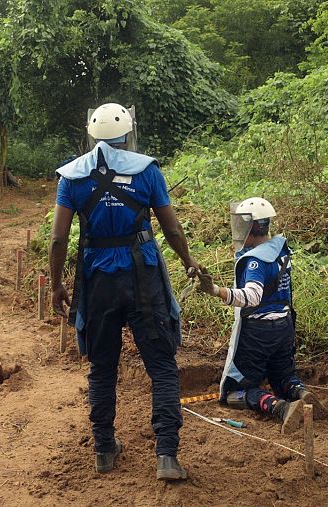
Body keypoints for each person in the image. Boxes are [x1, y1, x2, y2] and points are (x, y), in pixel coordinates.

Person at [48, 103, 200, 481]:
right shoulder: (147, 171)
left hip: (97, 278)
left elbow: (58, 238)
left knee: (102, 367)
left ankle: (103, 449)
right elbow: (172, 229)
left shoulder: (72, 177)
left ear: (90, 133)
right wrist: (188, 262)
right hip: (142, 275)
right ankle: (166, 455)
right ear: (128, 133)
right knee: (162, 366)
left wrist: (56, 284)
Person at [194, 197, 328, 434]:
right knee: (282, 375)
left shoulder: (255, 260)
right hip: (284, 325)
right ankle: (301, 392)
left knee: (235, 391)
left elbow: (251, 297)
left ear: (251, 226)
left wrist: (215, 290)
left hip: (259, 332)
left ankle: (280, 408)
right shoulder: (279, 250)